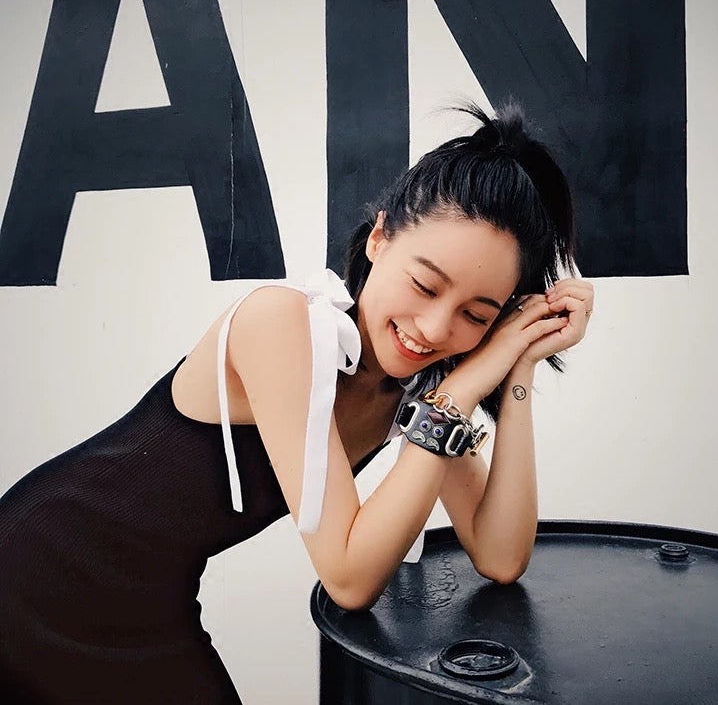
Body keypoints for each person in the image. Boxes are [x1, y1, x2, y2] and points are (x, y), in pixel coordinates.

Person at [0, 101, 594, 702]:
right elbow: (349, 579)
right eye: (424, 284)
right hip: (33, 573)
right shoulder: (279, 324)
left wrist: (518, 368)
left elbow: (499, 555)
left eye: (477, 315)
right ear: (380, 239)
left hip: (153, 600)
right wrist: (461, 390)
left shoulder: (420, 395)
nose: (436, 329)